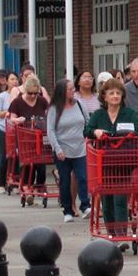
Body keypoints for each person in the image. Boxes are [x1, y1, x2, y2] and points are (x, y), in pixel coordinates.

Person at [84, 78, 138, 250]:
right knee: (106, 199)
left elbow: (137, 130)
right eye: (112, 93)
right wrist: (96, 131)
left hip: (123, 161)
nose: (115, 96)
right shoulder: (98, 115)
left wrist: (128, 133)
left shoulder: (129, 113)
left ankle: (121, 234)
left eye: (118, 93)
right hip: (103, 163)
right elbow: (87, 130)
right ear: (104, 96)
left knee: (120, 197)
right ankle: (111, 234)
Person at [46, 79, 92, 224]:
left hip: (80, 148)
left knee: (82, 177)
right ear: (62, 92)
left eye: (73, 89)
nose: (73, 91)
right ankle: (67, 210)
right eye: (70, 89)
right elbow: (51, 130)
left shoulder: (79, 104)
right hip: (63, 150)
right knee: (65, 181)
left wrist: (87, 137)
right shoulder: (54, 108)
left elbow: (87, 121)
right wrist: (57, 148)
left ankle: (85, 205)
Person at [9, 76, 50, 206]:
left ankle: (39, 185)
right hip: (24, 139)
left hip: (39, 138)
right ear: (25, 91)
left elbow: (49, 114)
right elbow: (11, 118)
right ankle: (27, 188)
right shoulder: (17, 102)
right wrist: (18, 120)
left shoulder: (42, 101)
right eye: (30, 93)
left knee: (41, 165)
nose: (33, 96)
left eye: (35, 93)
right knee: (27, 164)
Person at [0, 71, 19, 192]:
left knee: (17, 156)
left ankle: (16, 183)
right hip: (4, 130)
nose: (15, 81)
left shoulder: (21, 95)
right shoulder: (2, 96)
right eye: (12, 79)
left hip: (17, 131)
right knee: (4, 156)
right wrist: (9, 111)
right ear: (7, 82)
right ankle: (1, 183)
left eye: (16, 79)